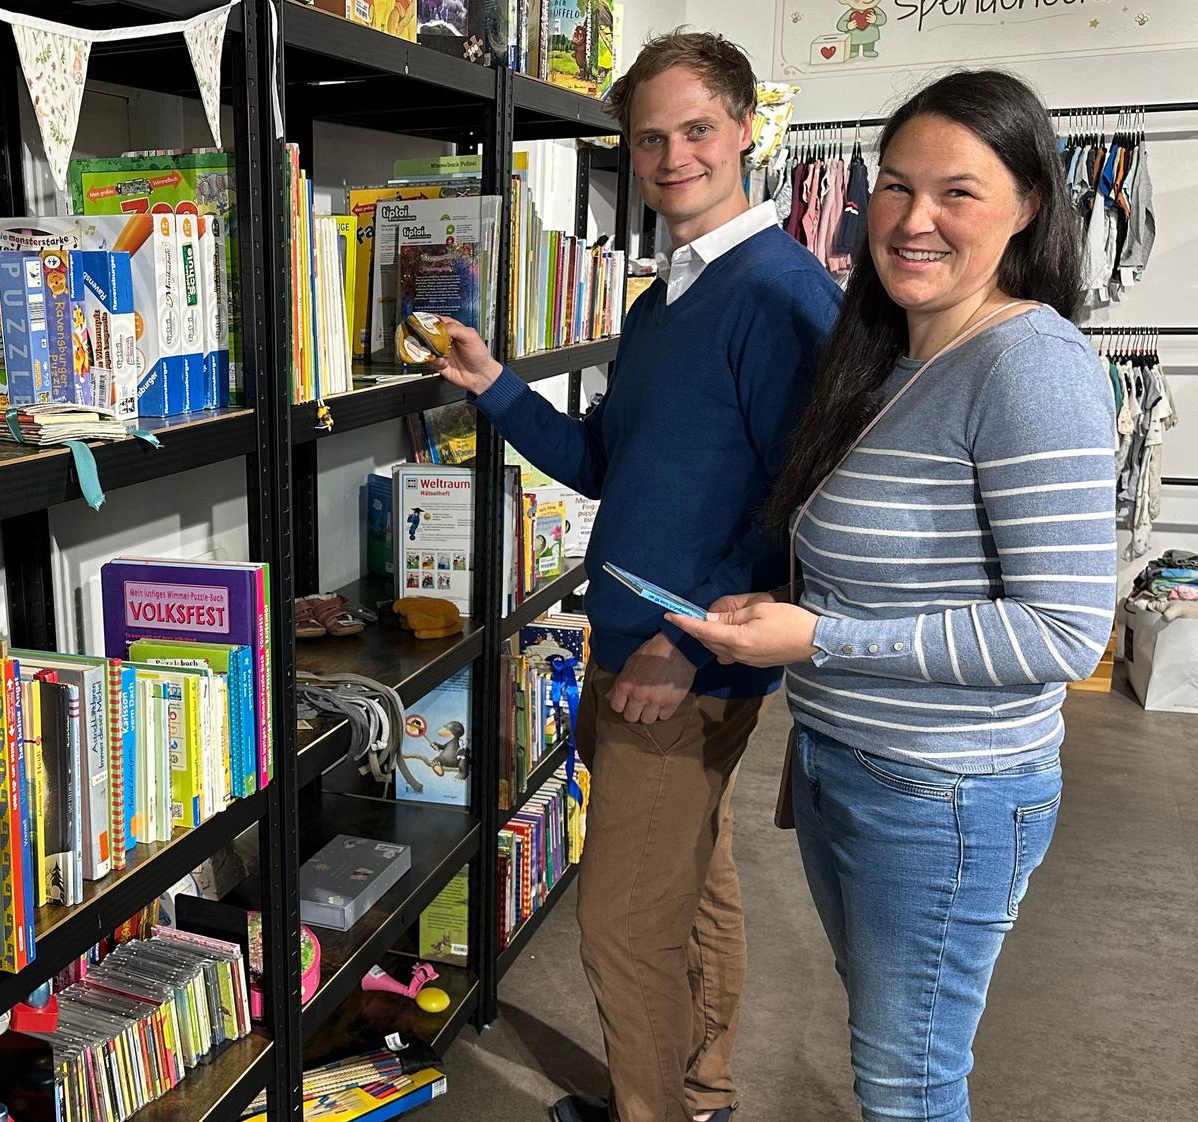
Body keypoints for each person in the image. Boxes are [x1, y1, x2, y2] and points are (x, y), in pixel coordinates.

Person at [667, 70, 1116, 1122]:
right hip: (845, 768)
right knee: (893, 1045)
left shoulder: (1028, 366)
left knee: (907, 1085)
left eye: (956, 193)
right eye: (894, 187)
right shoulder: (889, 358)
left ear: (1027, 207)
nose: (913, 222)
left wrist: (816, 637)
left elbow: (1059, 632)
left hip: (941, 796)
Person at [428, 30, 841, 1122]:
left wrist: (680, 640)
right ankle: (697, 1098)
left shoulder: (780, 294)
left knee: (615, 924)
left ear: (746, 130)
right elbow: (607, 463)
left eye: (695, 129)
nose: (671, 157)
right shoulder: (666, 300)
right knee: (688, 895)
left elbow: (800, 501)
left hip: (684, 661)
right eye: (648, 137)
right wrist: (495, 387)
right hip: (639, 646)